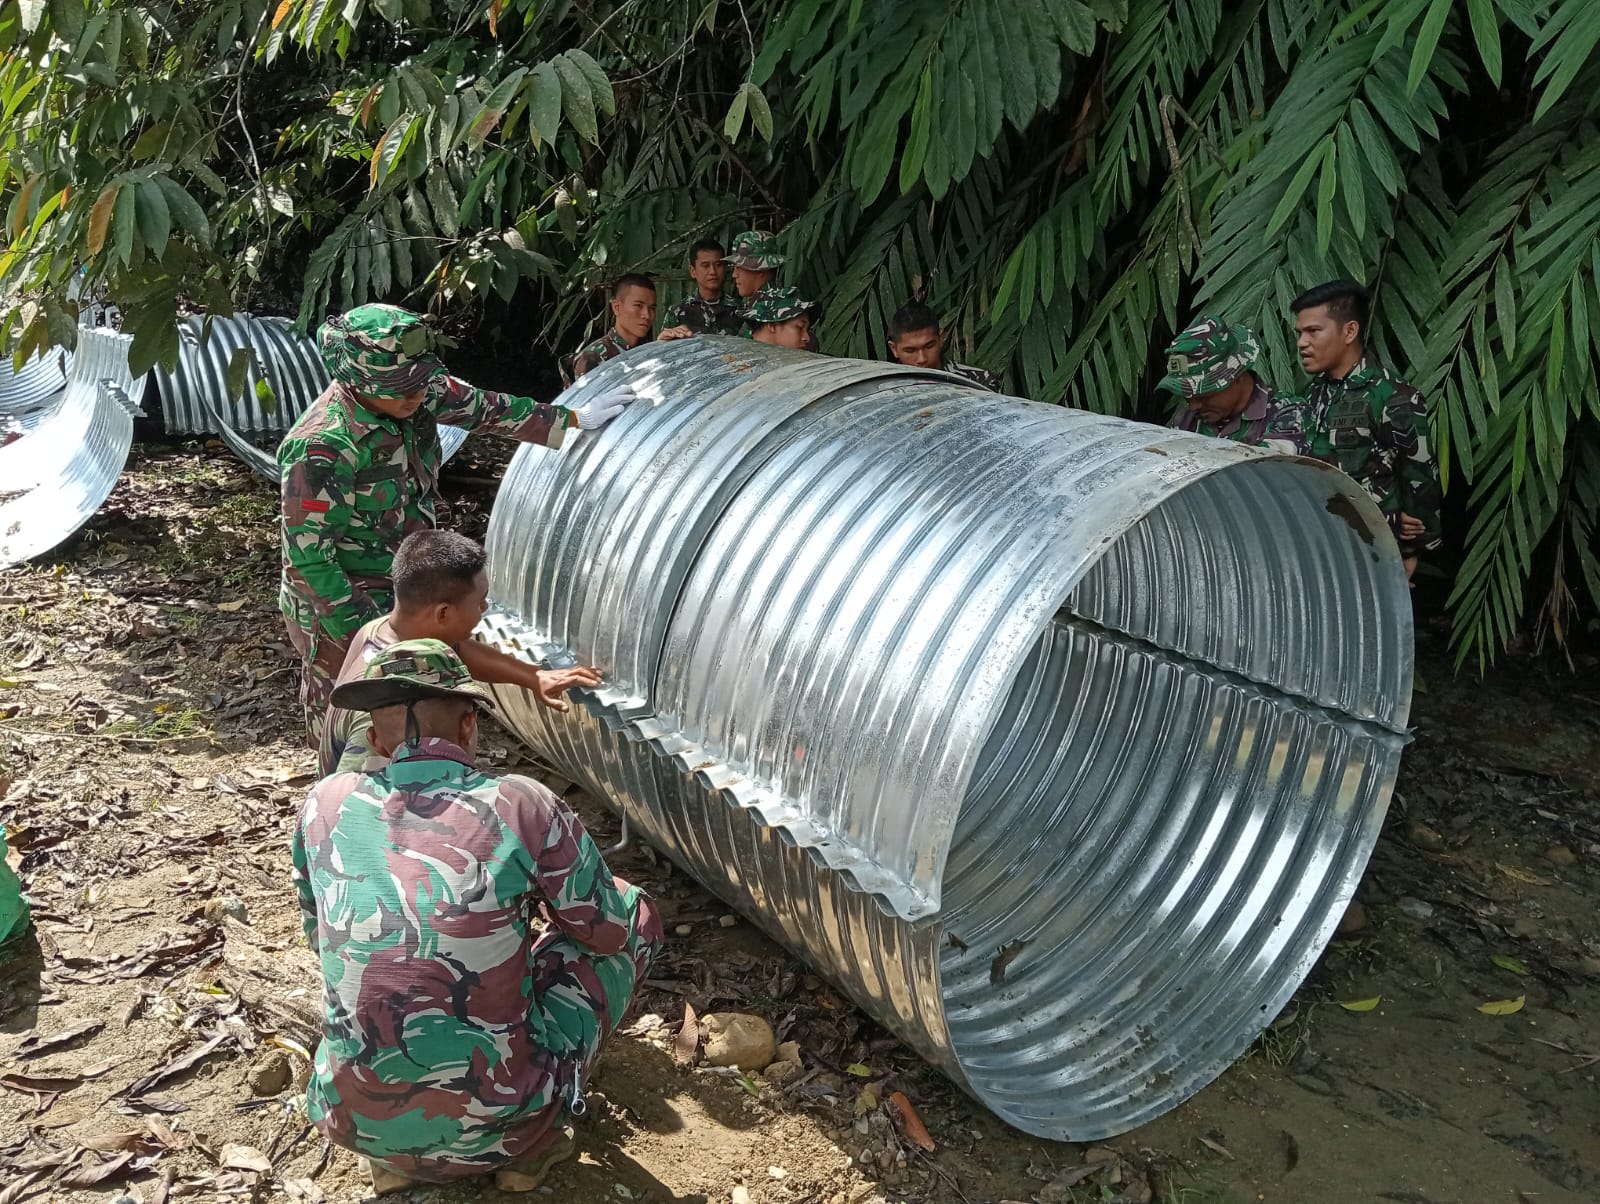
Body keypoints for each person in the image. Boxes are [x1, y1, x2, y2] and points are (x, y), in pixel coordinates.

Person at [292, 639, 662, 1195]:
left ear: (373, 740)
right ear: (469, 727)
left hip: (352, 1121)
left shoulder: (325, 802)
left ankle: (394, 1156)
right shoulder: (520, 801)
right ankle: (533, 1143)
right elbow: (606, 933)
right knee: (633, 910)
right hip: (505, 1126)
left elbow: (317, 933)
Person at [279, 304, 632, 744]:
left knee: (425, 703)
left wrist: (573, 418)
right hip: (341, 601)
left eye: (418, 383)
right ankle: (342, 804)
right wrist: (371, 641)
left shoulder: (418, 388)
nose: (414, 396)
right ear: (358, 383)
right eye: (399, 388)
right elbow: (311, 564)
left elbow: (485, 408)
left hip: (408, 580)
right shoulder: (324, 447)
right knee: (357, 719)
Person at [319, 529, 601, 776]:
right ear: (443, 613)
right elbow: (349, 805)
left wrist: (533, 677)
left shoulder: (383, 630)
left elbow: (456, 649)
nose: (485, 609)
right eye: (479, 602)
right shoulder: (387, 708)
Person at [1291, 280, 1442, 581]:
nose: (1301, 343)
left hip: (1375, 552)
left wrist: (1411, 550)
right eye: (1299, 333)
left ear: (1349, 331)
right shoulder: (1313, 394)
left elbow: (1421, 478)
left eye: (1313, 331)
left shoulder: (1392, 396)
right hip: (1320, 545)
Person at [1158, 316, 1302, 453]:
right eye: (1187, 397)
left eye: (1204, 396)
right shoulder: (1186, 419)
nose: (1193, 406)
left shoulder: (1287, 412)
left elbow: (1264, 469)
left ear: (1236, 375)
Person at [885, 301, 999, 390]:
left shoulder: (979, 381)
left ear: (941, 338)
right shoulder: (881, 389)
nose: (922, 359)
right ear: (894, 349)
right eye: (910, 350)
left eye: (929, 346)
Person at [566, 274, 656, 382]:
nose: (646, 315)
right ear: (616, 307)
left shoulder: (650, 351)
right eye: (638, 305)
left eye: (652, 308)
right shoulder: (593, 357)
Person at [657, 239, 741, 339]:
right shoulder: (678, 312)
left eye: (718, 265)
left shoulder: (740, 311)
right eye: (705, 266)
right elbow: (665, 349)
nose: (712, 271)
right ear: (693, 271)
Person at [739, 286, 819, 350]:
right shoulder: (738, 363)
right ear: (772, 326)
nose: (807, 338)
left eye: (807, 329)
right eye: (800, 327)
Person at [723, 230, 783, 302]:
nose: (734, 275)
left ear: (761, 269)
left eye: (739, 267)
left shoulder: (778, 306)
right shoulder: (758, 303)